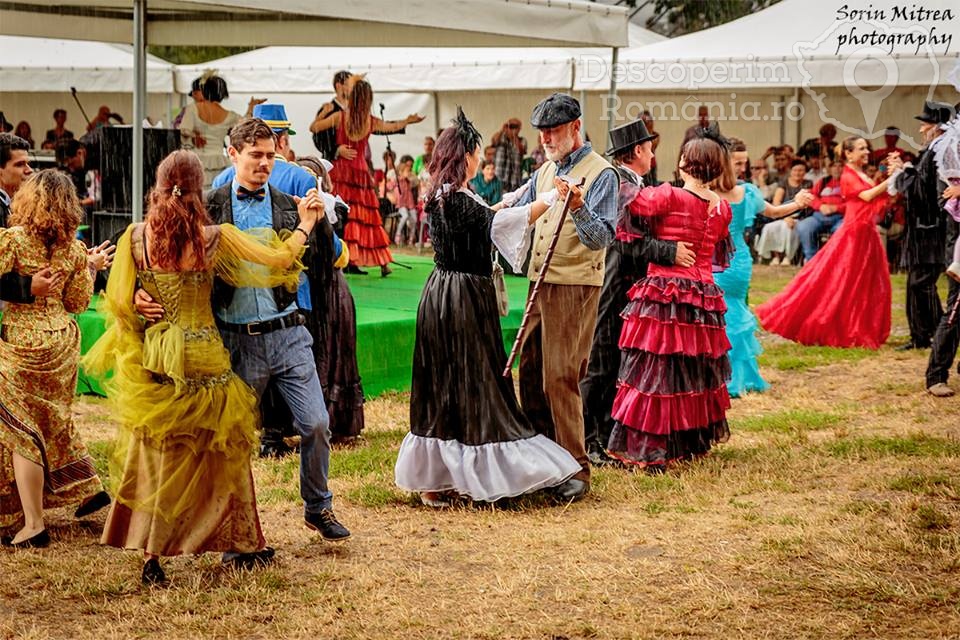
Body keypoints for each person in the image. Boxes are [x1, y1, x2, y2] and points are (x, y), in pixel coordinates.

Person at [84, 149, 321, 584]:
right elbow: (280, 263)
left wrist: (140, 301)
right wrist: (305, 225)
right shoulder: (213, 236)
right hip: (206, 356)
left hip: (158, 359)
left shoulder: (134, 238)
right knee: (223, 452)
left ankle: (152, 554)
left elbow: (117, 304)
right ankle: (244, 541)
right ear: (198, 189)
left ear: (157, 187)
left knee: (157, 455)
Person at [134, 119, 352, 547]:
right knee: (231, 440)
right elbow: (169, 258)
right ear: (232, 155)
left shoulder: (291, 205)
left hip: (289, 332)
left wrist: (321, 220)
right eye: (256, 156)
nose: (265, 164)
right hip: (234, 340)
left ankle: (318, 505)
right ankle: (233, 529)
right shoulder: (209, 207)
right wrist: (143, 295)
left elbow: (325, 259)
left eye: (271, 155)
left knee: (315, 423)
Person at [394, 110, 580, 506]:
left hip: (441, 294)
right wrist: (550, 197)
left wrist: (516, 196)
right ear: (466, 156)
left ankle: (438, 478)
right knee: (475, 380)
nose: (480, 158)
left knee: (444, 383)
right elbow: (499, 222)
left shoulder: (442, 194)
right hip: (463, 299)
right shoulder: (458, 200)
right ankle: (479, 476)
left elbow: (489, 216)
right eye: (477, 152)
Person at [505, 93, 618, 502]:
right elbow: (517, 207)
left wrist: (578, 207)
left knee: (561, 375)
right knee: (531, 372)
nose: (546, 139)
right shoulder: (544, 170)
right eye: (542, 132)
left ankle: (576, 468)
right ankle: (542, 458)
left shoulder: (603, 173)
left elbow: (601, 238)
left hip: (575, 286)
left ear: (575, 127)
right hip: (539, 282)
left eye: (553, 131)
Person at [607, 137, 734, 472]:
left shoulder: (669, 194)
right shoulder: (722, 207)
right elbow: (717, 249)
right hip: (703, 298)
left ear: (683, 162)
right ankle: (689, 443)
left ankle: (651, 450)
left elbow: (630, 204)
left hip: (666, 291)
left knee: (656, 374)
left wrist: (614, 175)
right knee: (691, 375)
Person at [0, 170, 111, 547]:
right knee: (51, 420)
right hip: (62, 341)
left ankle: (33, 524)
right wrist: (91, 268)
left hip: (22, 341)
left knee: (23, 433)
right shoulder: (76, 249)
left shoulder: (12, 240)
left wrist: (24, 287)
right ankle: (84, 487)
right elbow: (79, 303)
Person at [580, 118, 691, 468]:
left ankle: (606, 433)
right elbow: (626, 242)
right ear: (639, 151)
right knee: (602, 362)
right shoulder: (624, 186)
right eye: (651, 147)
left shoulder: (632, 183)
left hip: (626, 283)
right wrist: (667, 251)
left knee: (615, 362)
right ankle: (588, 441)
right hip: (615, 282)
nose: (654, 153)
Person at [756, 137, 903, 349]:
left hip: (865, 231)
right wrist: (892, 179)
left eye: (866, 148)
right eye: (861, 149)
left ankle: (858, 324)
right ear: (848, 154)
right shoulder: (848, 175)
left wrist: (892, 169)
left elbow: (878, 187)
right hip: (854, 233)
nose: (866, 152)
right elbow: (868, 195)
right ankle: (832, 322)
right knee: (840, 280)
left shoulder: (861, 173)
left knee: (862, 282)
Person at [715, 137, 812, 397]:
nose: (742, 168)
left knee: (729, 315)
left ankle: (730, 377)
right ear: (722, 161)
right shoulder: (731, 192)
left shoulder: (733, 191)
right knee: (734, 314)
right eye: (737, 163)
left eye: (744, 163)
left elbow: (773, 212)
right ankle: (736, 374)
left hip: (730, 261)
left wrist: (798, 204)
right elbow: (774, 212)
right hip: (730, 259)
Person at [310, 78, 424, 277]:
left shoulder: (339, 116)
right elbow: (391, 126)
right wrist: (408, 120)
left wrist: (323, 112)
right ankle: (381, 262)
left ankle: (343, 259)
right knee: (367, 219)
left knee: (342, 216)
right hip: (360, 173)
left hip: (342, 172)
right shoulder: (370, 121)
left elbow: (314, 127)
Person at [296, 156, 365, 443]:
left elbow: (334, 252)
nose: (307, 179)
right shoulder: (294, 207)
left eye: (312, 175)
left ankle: (337, 422)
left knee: (334, 352)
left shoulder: (334, 207)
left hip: (332, 290)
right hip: (309, 289)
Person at [892, 102, 955, 356]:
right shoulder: (933, 150)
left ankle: (936, 331)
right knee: (916, 282)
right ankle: (921, 334)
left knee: (922, 282)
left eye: (925, 124)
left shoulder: (938, 152)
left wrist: (900, 173)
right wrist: (906, 169)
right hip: (923, 227)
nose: (920, 129)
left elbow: (921, 191)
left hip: (930, 227)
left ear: (937, 127)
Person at [180, 74, 264, 187]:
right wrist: (250, 109)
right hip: (220, 162)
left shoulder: (193, 108)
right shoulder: (230, 116)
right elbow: (244, 127)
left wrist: (194, 135)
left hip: (197, 160)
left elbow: (184, 130)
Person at [754, 159, 811, 265]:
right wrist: (785, 217)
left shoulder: (808, 184)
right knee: (769, 227)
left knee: (788, 228)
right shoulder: (783, 183)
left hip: (799, 218)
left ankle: (787, 257)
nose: (797, 173)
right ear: (790, 171)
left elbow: (807, 203)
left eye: (801, 170)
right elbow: (776, 202)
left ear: (805, 172)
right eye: (795, 170)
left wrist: (793, 218)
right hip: (783, 215)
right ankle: (775, 256)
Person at [796, 161, 845, 262]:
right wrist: (820, 206)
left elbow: (853, 203)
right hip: (819, 216)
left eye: (840, 166)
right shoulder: (824, 181)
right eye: (834, 166)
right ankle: (811, 260)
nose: (837, 168)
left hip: (840, 218)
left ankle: (835, 261)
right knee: (804, 226)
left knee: (843, 230)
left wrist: (836, 208)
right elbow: (811, 196)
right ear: (830, 169)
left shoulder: (848, 183)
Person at [312, 70, 352, 161]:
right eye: (349, 84)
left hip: (356, 165)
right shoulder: (327, 110)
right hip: (334, 163)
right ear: (338, 86)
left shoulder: (355, 111)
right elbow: (318, 138)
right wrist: (336, 150)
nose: (352, 88)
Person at [492, 118, 527, 192]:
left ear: (519, 128)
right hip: (499, 175)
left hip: (514, 177)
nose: (513, 128)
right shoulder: (501, 137)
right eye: (511, 126)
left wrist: (514, 137)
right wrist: (502, 129)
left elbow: (521, 151)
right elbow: (493, 141)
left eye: (515, 126)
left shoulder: (522, 140)